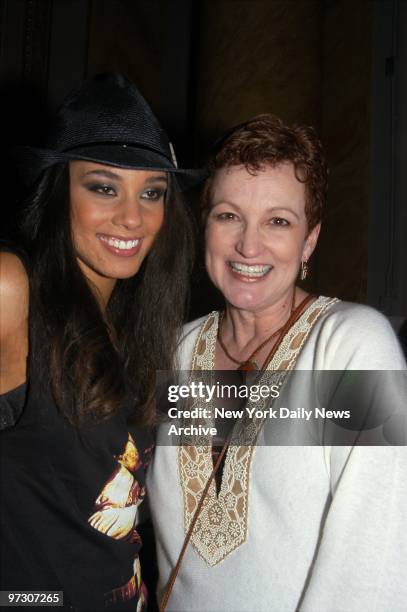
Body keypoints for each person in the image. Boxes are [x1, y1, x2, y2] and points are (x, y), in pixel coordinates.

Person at [147, 114, 407, 611]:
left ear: (309, 241)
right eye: (228, 216)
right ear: (205, 226)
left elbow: (373, 569)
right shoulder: (173, 353)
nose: (249, 244)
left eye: (278, 221)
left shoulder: (350, 347)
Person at [0, 72, 201, 611]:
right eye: (104, 187)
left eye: (152, 192)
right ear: (58, 188)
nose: (132, 216)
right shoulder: (12, 289)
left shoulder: (137, 334)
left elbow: (318, 414)